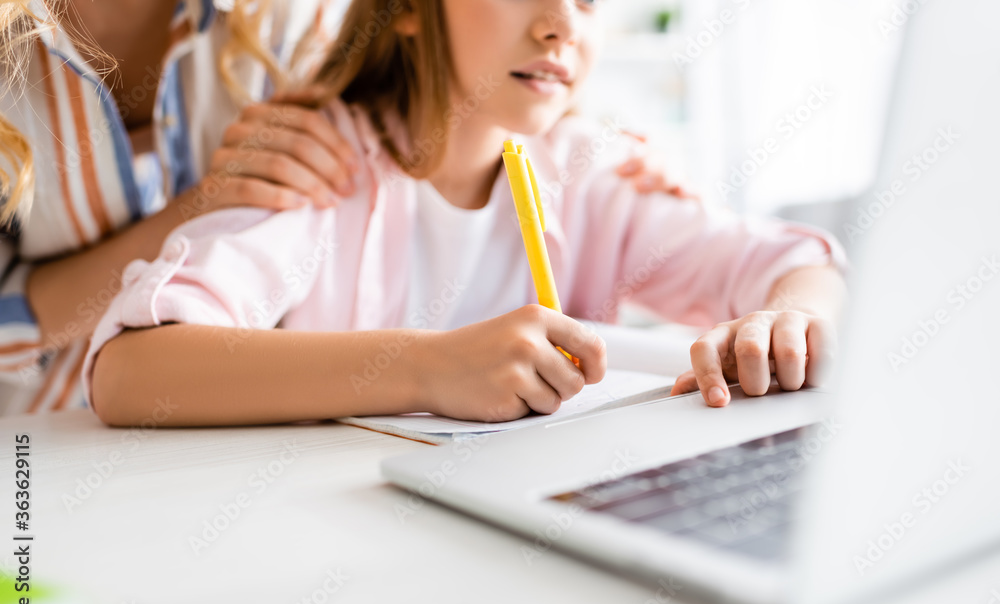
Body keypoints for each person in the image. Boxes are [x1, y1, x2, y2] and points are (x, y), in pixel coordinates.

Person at [85, 0, 847, 427]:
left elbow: (798, 264)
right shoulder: (322, 169)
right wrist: (425, 367)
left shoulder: (583, 173)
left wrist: (785, 319)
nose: (561, 23)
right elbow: (127, 371)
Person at [0, 0, 689, 416]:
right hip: (31, 452)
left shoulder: (287, 18)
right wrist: (201, 206)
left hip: (209, 441)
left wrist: (588, 134)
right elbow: (127, 368)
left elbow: (453, 71)